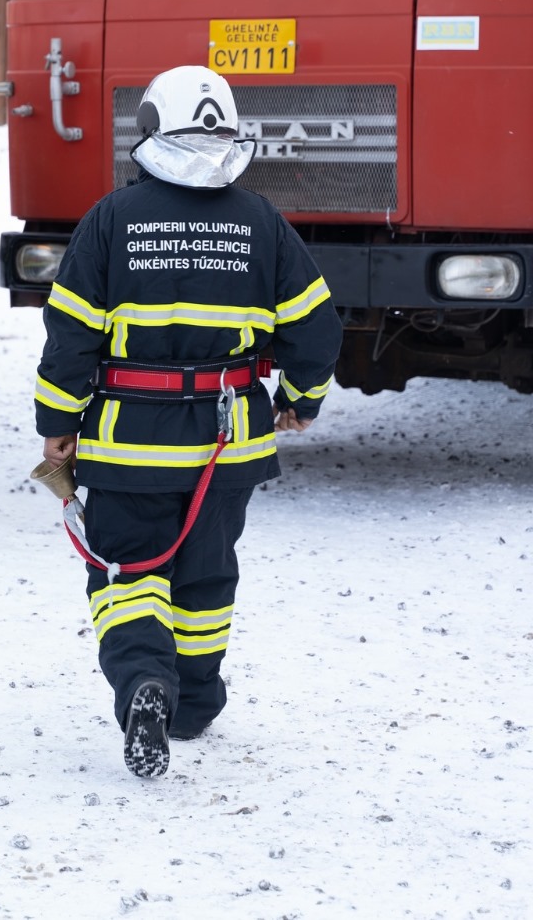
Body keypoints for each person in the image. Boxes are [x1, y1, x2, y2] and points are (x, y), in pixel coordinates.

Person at [33, 66, 342, 778]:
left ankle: (145, 680)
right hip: (228, 445)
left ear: (150, 128)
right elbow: (316, 327)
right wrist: (302, 396)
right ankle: (196, 702)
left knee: (126, 571)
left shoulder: (112, 218)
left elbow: (71, 335)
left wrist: (57, 422)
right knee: (205, 576)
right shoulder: (261, 221)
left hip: (129, 444)